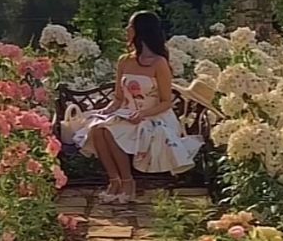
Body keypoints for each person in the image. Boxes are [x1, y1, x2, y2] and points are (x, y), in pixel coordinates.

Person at [73, 10, 208, 203]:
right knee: (97, 129)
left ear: (141, 31)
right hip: (128, 113)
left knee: (110, 131)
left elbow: (166, 102)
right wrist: (105, 111)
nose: (126, 29)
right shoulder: (124, 61)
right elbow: (119, 98)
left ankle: (128, 183)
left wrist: (143, 113)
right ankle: (115, 180)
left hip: (155, 116)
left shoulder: (159, 63)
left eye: (130, 26)